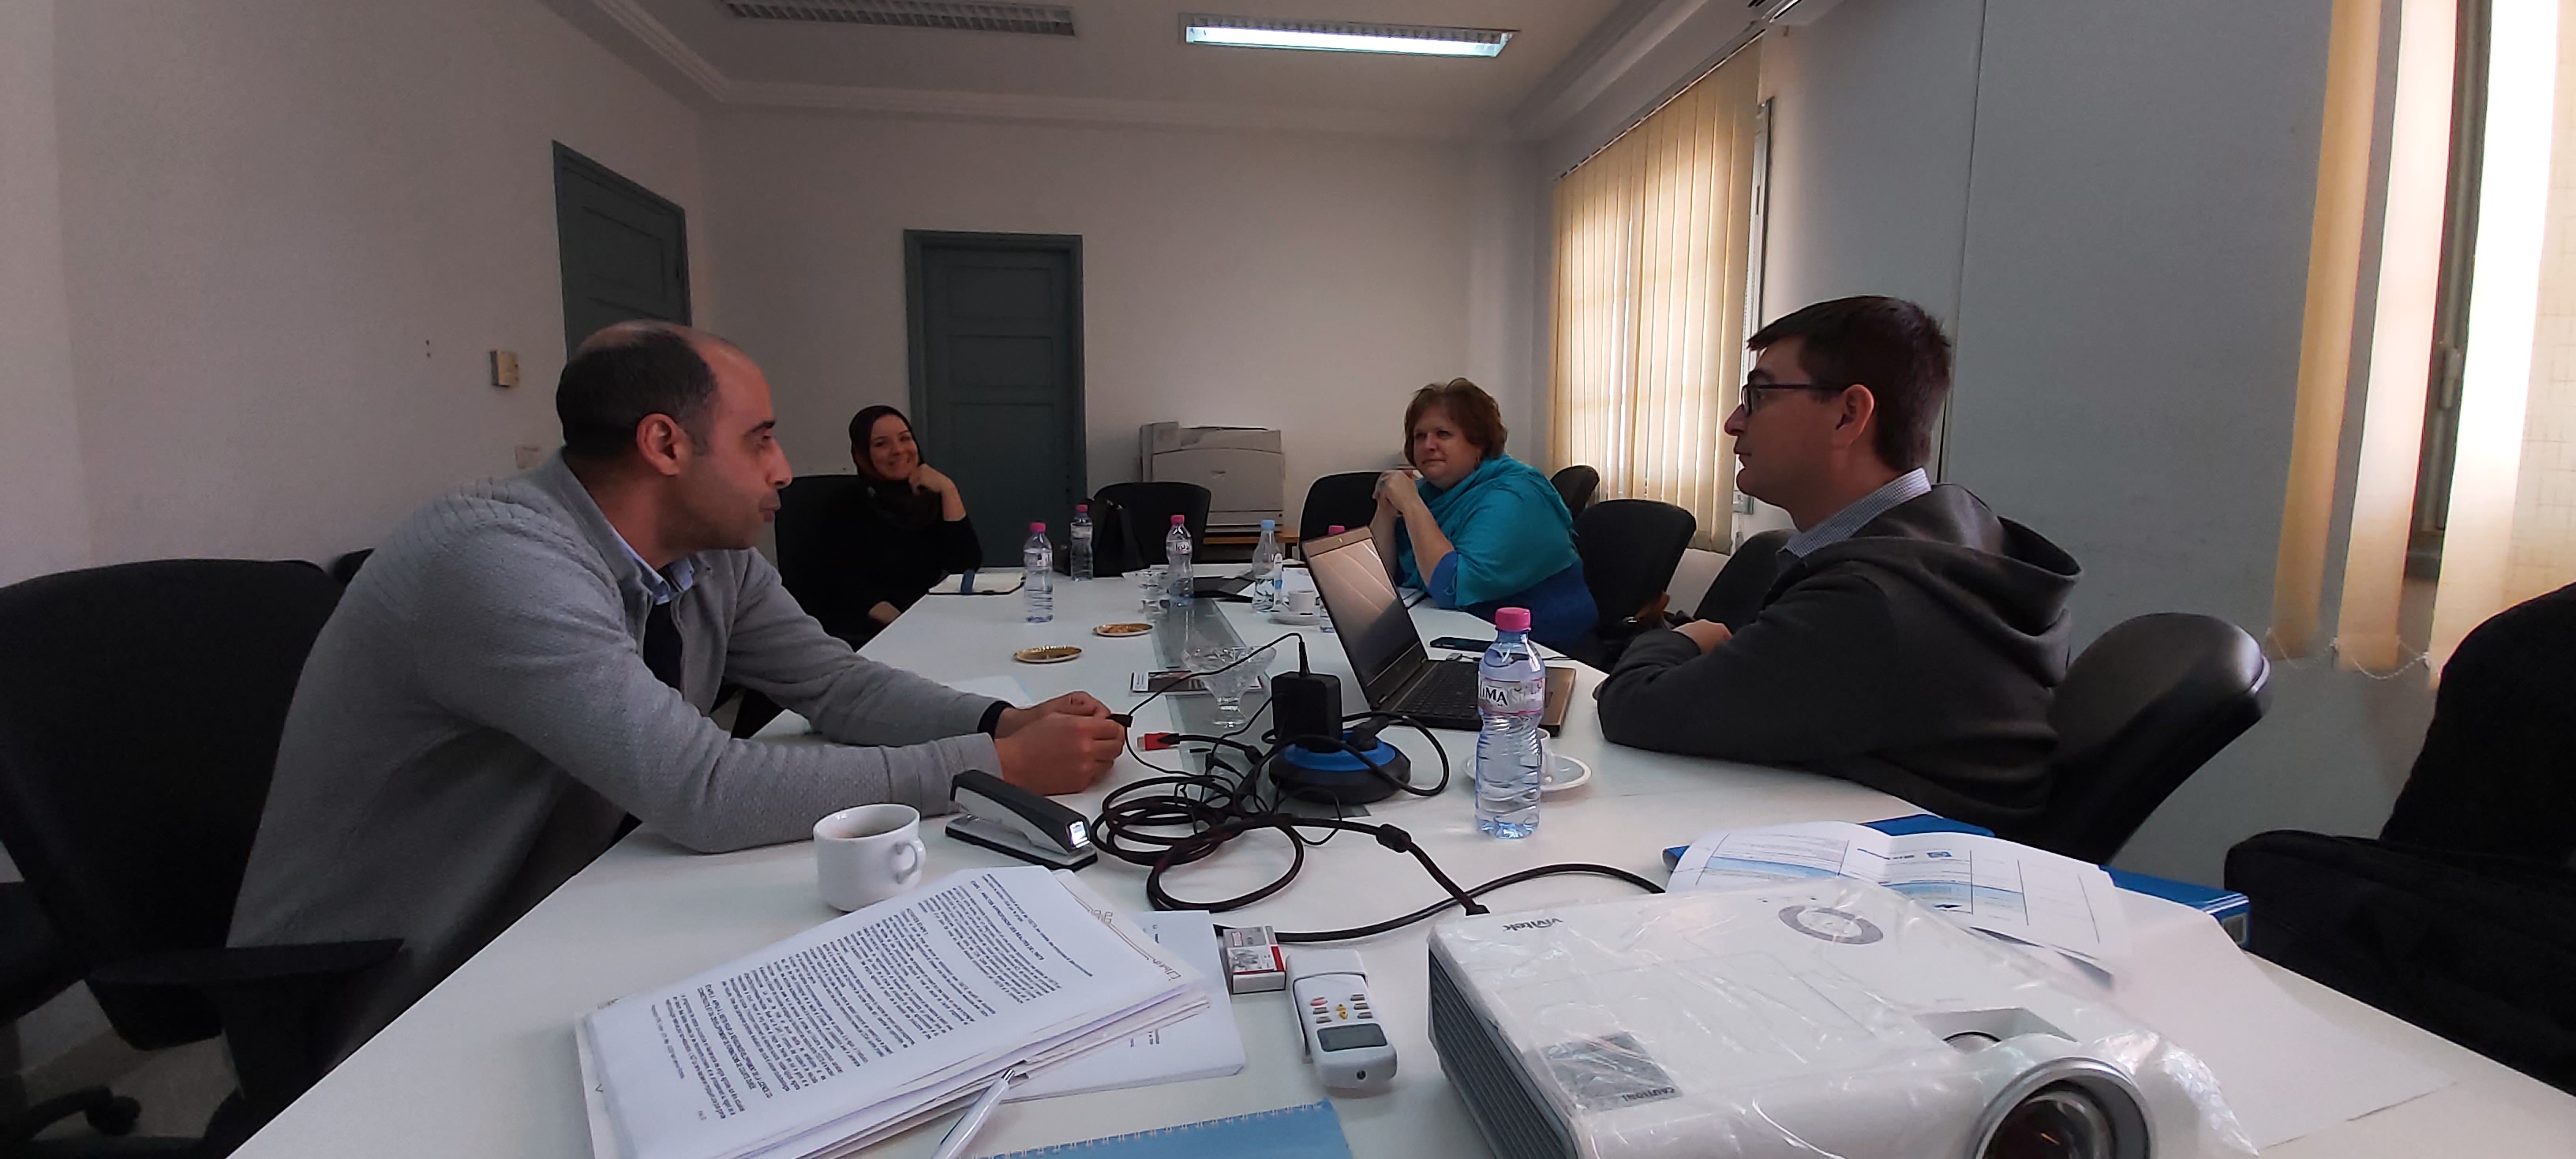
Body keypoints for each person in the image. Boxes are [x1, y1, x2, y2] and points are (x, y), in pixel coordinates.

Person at [230, 321, 1125, 1052]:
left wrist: (1005, 717)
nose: (783, 468)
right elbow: (709, 792)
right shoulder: (496, 563)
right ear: (665, 442)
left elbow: (834, 685)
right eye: (761, 438)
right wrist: (994, 765)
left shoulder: (708, 554)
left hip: (566, 913)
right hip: (396, 987)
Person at [1593, 296, 2080, 831]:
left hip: (1893, 880)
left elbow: (1635, 708)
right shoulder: (1961, 533)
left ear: (1848, 415)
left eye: (1759, 396)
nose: (1734, 422)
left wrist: (1688, 638)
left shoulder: (1872, 599)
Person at [1370, 378, 1595, 650]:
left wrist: (1412, 505)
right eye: (1420, 436)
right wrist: (1385, 509)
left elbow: (1451, 587)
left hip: (1539, 649)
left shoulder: (1515, 495)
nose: (1428, 445)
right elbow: (1376, 578)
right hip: (1463, 631)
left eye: (1443, 434)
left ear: (1478, 443)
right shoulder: (1431, 493)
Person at [788, 406, 981, 646]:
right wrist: (903, 623)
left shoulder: (926, 498)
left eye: (905, 438)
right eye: (881, 444)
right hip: (859, 631)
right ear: (863, 454)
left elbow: (965, 566)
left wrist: (949, 491)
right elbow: (847, 585)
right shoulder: (844, 504)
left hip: (917, 620)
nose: (898, 450)